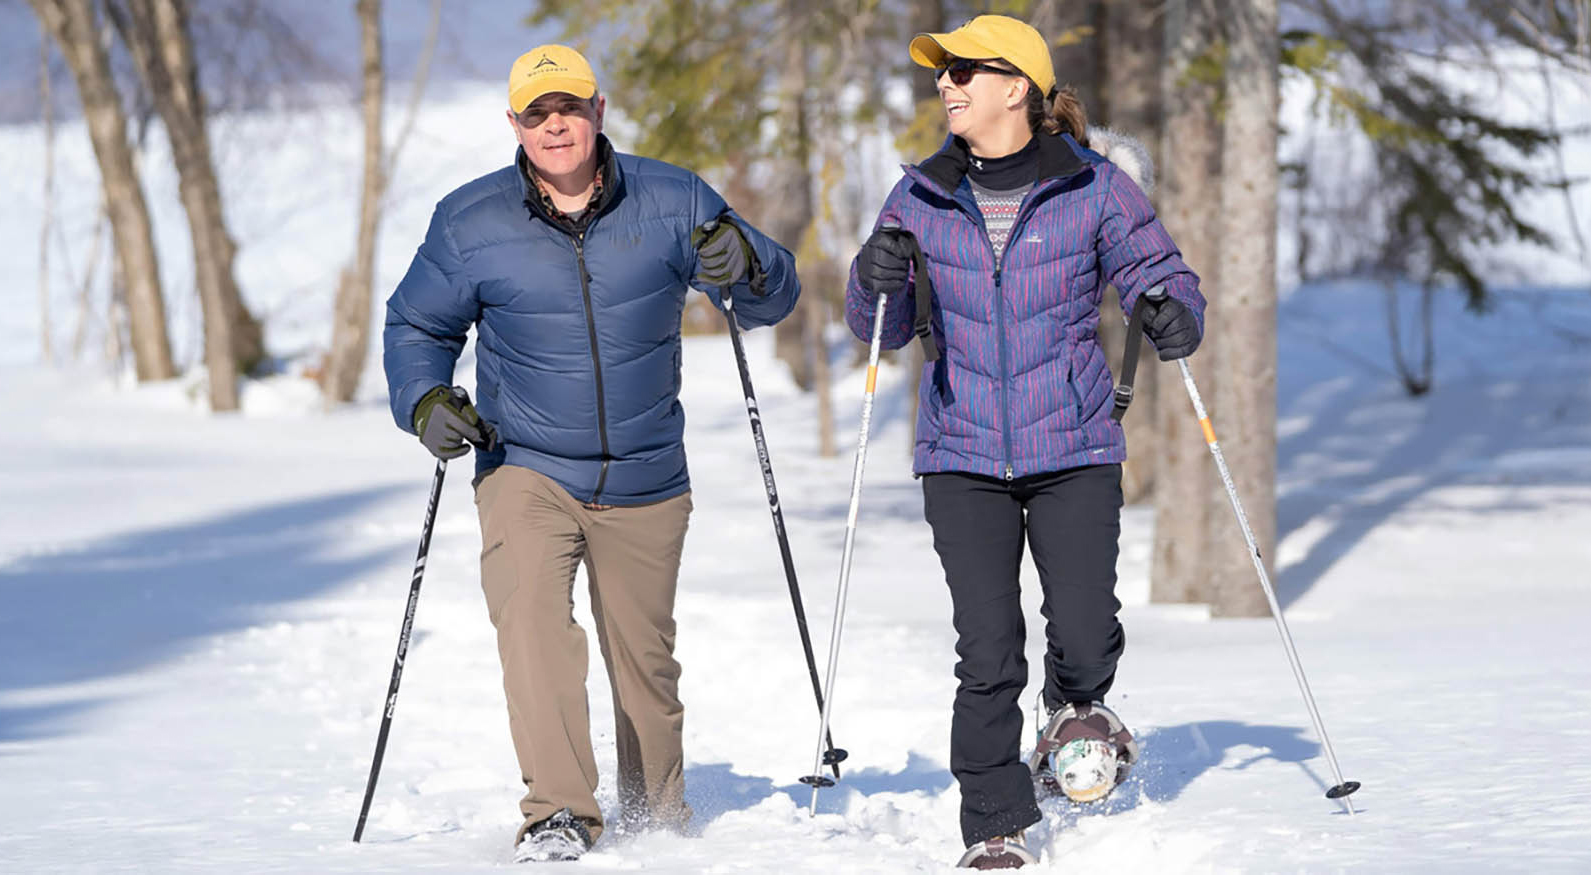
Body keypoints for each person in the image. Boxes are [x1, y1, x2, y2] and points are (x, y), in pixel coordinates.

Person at [382, 44, 801, 862]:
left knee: (644, 664)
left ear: (598, 110)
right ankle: (558, 814)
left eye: (567, 107)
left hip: (647, 473)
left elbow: (772, 296)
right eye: (535, 113)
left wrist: (747, 266)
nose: (554, 125)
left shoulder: (674, 196)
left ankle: (656, 817)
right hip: (526, 465)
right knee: (533, 629)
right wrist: (425, 399)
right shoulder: (470, 221)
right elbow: (416, 326)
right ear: (513, 124)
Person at [843, 15, 1205, 870]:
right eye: (941, 73)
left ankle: (1077, 706)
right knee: (986, 648)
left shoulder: (1094, 188)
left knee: (1082, 630)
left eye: (965, 70)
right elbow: (875, 327)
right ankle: (996, 824)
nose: (947, 84)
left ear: (1019, 87)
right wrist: (873, 277)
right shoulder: (919, 194)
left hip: (1072, 444)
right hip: (960, 453)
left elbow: (1167, 276)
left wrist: (1168, 310)